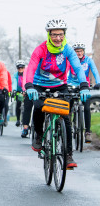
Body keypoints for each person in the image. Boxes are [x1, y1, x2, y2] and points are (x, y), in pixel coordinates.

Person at [25, 19, 90, 168]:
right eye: (54, 35)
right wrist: (29, 86)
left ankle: (68, 155)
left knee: (65, 116)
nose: (58, 38)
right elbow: (31, 67)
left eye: (60, 34)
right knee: (39, 107)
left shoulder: (67, 49)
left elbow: (78, 67)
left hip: (60, 86)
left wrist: (84, 85)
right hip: (39, 85)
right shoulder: (40, 49)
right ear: (49, 35)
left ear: (64, 34)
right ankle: (39, 136)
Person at [67, 42, 100, 143]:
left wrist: (98, 82)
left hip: (84, 86)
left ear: (83, 52)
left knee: (86, 107)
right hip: (71, 84)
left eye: (80, 51)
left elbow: (95, 71)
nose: (79, 53)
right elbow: (65, 71)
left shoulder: (88, 60)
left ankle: (88, 133)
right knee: (69, 105)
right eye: (77, 51)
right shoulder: (70, 60)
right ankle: (67, 123)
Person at [12, 60, 26, 127]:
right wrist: (14, 90)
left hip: (26, 90)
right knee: (18, 103)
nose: (20, 69)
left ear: (24, 68)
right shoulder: (15, 75)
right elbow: (14, 82)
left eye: (22, 67)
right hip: (18, 91)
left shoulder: (26, 74)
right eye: (19, 68)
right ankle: (18, 119)